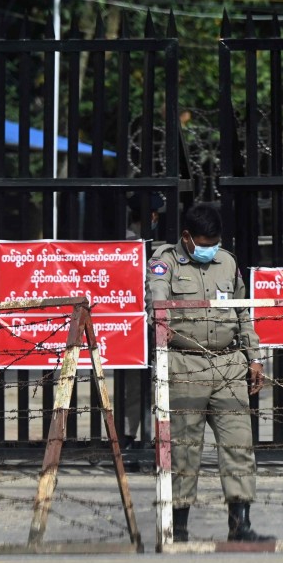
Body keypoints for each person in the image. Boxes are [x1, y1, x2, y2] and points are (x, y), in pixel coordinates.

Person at [146, 202, 273, 542]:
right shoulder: (164, 263)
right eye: (203, 242)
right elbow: (156, 301)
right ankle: (179, 525)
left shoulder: (228, 262)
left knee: (238, 445)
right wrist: (160, 320)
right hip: (185, 364)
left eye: (214, 241)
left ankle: (240, 523)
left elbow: (243, 312)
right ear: (186, 238)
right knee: (184, 448)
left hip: (230, 365)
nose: (209, 248)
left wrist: (255, 357)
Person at [123, 192, 166, 448]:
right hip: (145, 323)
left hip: (132, 325)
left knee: (134, 386)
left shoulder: (127, 243)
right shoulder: (139, 245)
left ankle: (130, 436)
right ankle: (148, 437)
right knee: (154, 382)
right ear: (152, 216)